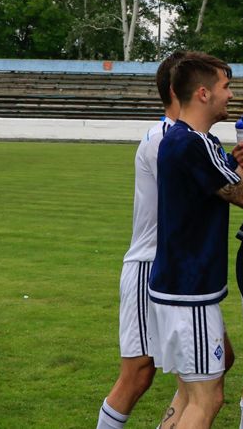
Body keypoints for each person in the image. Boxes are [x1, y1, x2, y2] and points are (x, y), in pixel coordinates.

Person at [147, 52, 243, 429]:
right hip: (189, 291)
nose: (231, 94)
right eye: (225, 87)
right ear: (203, 93)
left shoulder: (186, 141)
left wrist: (238, 167)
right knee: (208, 398)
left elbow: (224, 181)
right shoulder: (194, 143)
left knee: (187, 394)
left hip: (175, 288)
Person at [96, 51, 184, 429]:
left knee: (210, 366)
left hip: (176, 271)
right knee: (137, 375)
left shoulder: (185, 138)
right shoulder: (163, 140)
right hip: (149, 267)